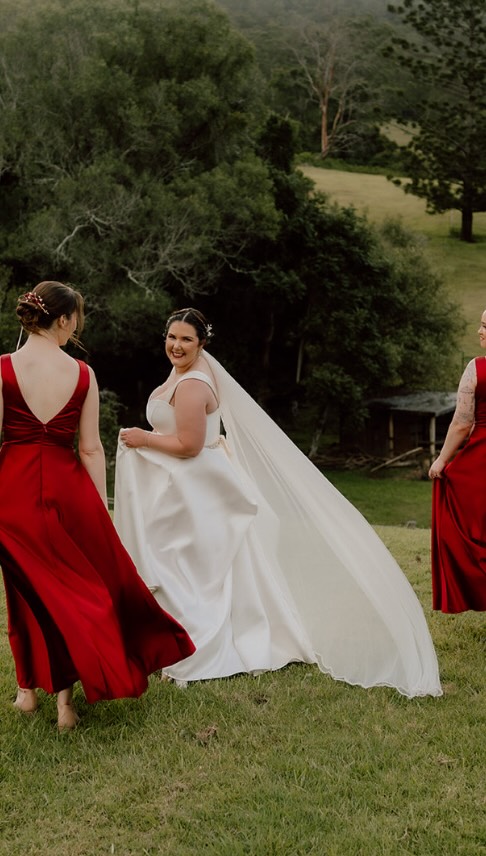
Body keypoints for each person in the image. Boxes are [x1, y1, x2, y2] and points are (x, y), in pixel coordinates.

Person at [115, 308, 442, 697]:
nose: (176, 345)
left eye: (186, 338)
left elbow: (188, 445)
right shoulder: (185, 372)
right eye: (171, 336)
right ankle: (169, 640)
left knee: (189, 570)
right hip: (188, 490)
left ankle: (193, 649)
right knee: (192, 568)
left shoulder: (192, 385)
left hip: (196, 491)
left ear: (202, 342)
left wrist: (142, 438)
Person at [0, 282, 195, 730]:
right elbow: (90, 449)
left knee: (27, 588)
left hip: (13, 490)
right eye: (76, 321)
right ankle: (62, 703)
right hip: (70, 492)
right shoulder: (83, 375)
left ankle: (28, 692)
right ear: (64, 320)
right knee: (66, 589)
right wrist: (97, 509)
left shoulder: (4, 368)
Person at [429, 309, 486, 613]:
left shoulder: (477, 368)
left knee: (466, 528)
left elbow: (462, 424)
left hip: (481, 462)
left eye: (485, 326)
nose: (479, 331)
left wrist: (441, 460)